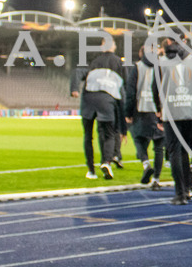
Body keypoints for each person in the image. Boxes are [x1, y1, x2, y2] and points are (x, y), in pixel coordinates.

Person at [158, 34, 192, 204]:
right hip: (191, 110)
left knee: (174, 151)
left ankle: (180, 193)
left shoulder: (162, 61)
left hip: (171, 111)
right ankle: (189, 187)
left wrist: (158, 110)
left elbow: (155, 86)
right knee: (185, 151)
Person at [70, 37, 124, 179]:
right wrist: (124, 120)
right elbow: (123, 89)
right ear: (114, 46)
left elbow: (78, 72)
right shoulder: (119, 62)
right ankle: (107, 161)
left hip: (88, 99)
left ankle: (90, 170)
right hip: (107, 100)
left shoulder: (94, 61)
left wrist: (74, 88)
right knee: (109, 134)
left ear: (101, 47)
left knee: (88, 136)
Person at [124, 44, 165, 193]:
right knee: (159, 145)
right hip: (158, 111)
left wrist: (127, 113)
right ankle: (156, 180)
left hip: (141, 110)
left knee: (138, 139)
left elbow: (130, 91)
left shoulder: (137, 67)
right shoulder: (162, 65)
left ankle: (146, 164)